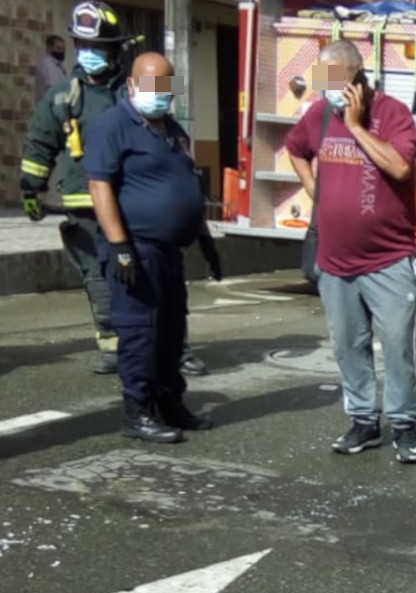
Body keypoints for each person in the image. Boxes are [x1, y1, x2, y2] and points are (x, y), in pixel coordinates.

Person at [19, 1, 209, 378]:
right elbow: (39, 146)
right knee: (100, 281)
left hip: (135, 205)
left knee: (158, 277)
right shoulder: (60, 96)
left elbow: (173, 114)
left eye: (99, 47)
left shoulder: (139, 86)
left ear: (116, 49)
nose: (90, 54)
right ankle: (113, 346)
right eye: (84, 46)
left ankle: (176, 347)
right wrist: (31, 190)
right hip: (85, 207)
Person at [284, 39, 416, 464]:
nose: (327, 88)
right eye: (322, 78)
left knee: (398, 345)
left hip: (389, 259)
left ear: (358, 75)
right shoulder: (320, 113)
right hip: (335, 260)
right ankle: (364, 420)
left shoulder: (393, 115)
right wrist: (315, 190)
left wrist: (359, 126)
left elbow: (401, 167)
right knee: (348, 345)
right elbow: (295, 148)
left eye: (336, 79)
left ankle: (403, 425)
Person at [83, 51, 222, 444]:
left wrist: (205, 238)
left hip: (169, 252)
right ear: (132, 86)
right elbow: (100, 186)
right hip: (136, 249)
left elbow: (188, 187)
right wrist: (119, 245)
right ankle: (138, 411)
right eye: (152, 86)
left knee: (171, 331)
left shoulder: (174, 130)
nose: (160, 95)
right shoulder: (112, 126)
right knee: (140, 333)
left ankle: (170, 403)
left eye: (167, 87)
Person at [34, 35, 67, 104]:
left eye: (63, 49)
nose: (61, 51)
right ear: (49, 48)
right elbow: (52, 90)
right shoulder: (48, 65)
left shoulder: (58, 66)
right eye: (58, 48)